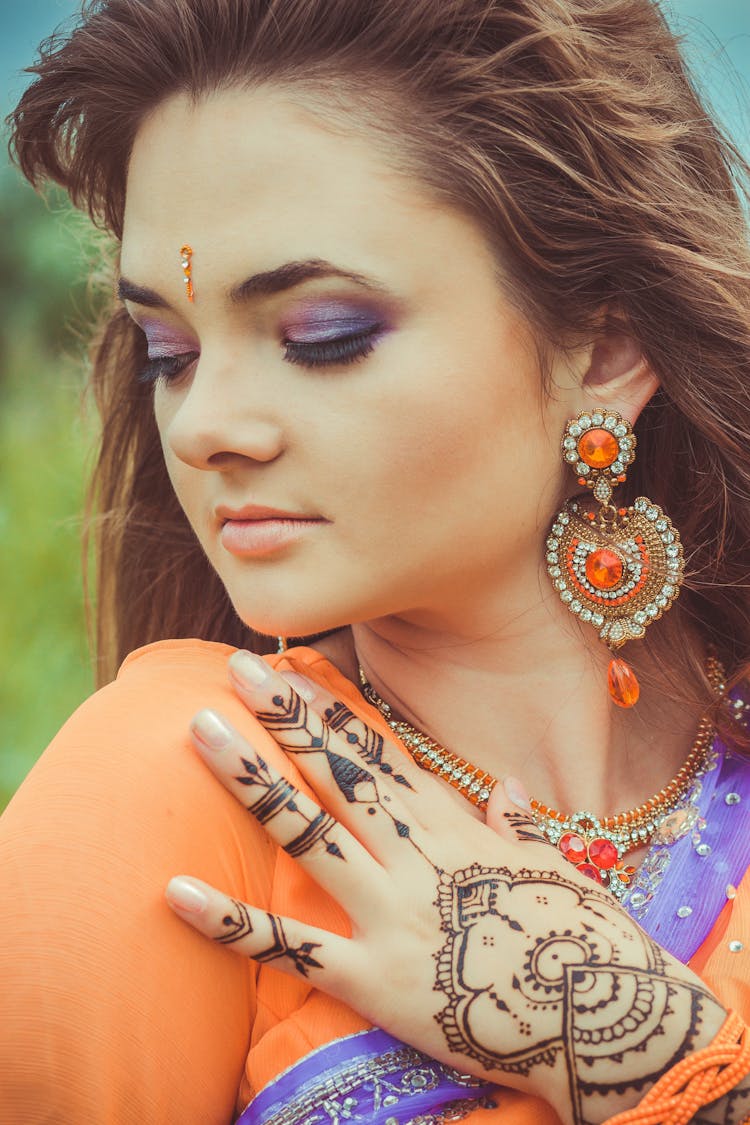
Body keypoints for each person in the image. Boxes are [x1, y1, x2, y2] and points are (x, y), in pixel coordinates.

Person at [1, 0, 749, 1122]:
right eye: (171, 353)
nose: (206, 425)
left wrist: (650, 1059)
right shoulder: (180, 794)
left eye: (323, 336)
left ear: (604, 346)